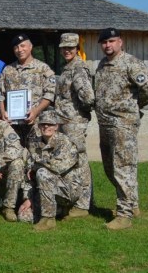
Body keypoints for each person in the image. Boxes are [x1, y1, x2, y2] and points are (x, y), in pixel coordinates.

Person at [94, 27, 148, 230]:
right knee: (110, 168)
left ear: (120, 42)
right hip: (105, 124)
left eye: (111, 41)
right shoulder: (102, 65)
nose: (108, 45)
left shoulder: (131, 63)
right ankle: (133, 204)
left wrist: (133, 107)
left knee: (123, 168)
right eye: (104, 42)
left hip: (123, 124)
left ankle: (124, 215)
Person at [20, 111, 84, 231]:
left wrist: (37, 166)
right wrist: (28, 198)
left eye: (50, 124)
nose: (46, 127)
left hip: (67, 190)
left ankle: (48, 219)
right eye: (43, 124)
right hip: (45, 188)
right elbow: (28, 174)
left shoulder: (65, 142)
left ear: (56, 126)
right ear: (39, 126)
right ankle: (59, 210)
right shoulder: (34, 144)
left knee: (42, 173)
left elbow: (58, 168)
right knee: (24, 216)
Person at [55, 32, 95, 218]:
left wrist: (78, 113)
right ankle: (72, 199)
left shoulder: (78, 68)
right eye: (64, 48)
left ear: (77, 48)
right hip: (65, 121)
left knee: (79, 161)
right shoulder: (68, 67)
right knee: (70, 160)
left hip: (74, 123)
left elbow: (88, 97)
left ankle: (83, 204)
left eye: (70, 47)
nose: (67, 51)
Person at [0, 34, 56, 146]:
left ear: (30, 47)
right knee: (14, 154)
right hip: (12, 125)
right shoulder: (7, 70)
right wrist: (3, 112)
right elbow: (0, 94)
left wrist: (36, 111)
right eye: (16, 47)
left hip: (35, 123)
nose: (19, 50)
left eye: (23, 46)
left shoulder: (43, 69)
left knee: (35, 153)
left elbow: (49, 95)